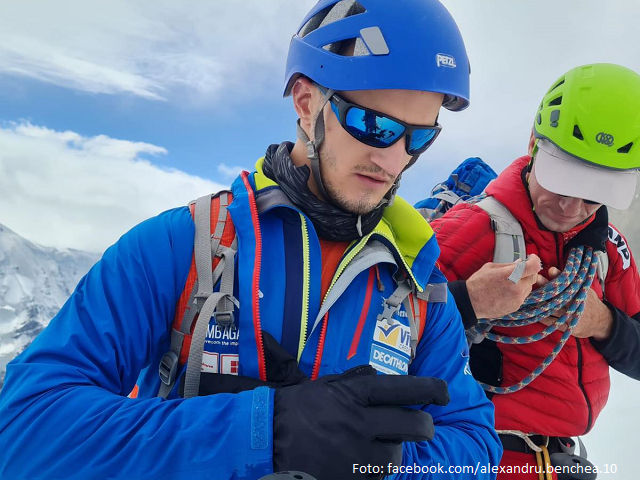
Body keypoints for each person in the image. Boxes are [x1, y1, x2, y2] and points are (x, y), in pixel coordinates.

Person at [0, 1, 502, 479]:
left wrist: (373, 461)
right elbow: (24, 430)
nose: (394, 161)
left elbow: (476, 451)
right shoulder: (186, 245)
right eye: (373, 125)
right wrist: (263, 431)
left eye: (418, 137)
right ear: (307, 103)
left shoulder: (416, 286)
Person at [430, 63, 640, 479]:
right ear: (533, 145)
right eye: (562, 182)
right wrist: (470, 301)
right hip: (483, 458)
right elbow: (381, 328)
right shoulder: (470, 229)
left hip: (565, 463)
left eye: (594, 196)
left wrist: (602, 322)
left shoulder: (609, 251)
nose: (571, 208)